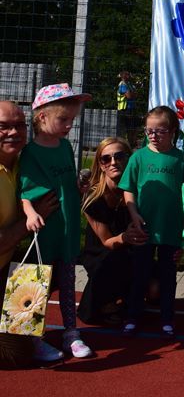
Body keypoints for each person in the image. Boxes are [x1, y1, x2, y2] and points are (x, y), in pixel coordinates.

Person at [18, 84, 94, 359]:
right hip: (45, 232)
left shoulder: (64, 146)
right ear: (42, 117)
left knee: (68, 282)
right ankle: (35, 338)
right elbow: (24, 191)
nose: (69, 125)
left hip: (68, 229)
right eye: (63, 119)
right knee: (40, 284)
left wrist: (78, 187)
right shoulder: (30, 152)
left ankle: (71, 332)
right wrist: (30, 212)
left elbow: (66, 184)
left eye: (71, 119)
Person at [119, 105, 184, 337]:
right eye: (149, 131)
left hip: (170, 228)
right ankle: (133, 315)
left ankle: (167, 318)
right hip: (143, 228)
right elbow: (128, 189)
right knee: (140, 274)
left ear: (172, 131)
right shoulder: (138, 157)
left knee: (168, 276)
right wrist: (133, 214)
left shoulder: (181, 159)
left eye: (160, 131)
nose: (153, 135)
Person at [0, 101, 60, 367]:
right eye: (4, 126)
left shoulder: (22, 164)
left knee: (47, 264)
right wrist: (30, 220)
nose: (14, 132)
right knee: (16, 354)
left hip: (6, 267)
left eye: (19, 125)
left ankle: (23, 333)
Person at [78, 137, 150, 325]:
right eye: (106, 158)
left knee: (155, 289)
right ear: (100, 165)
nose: (113, 162)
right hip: (102, 252)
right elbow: (107, 242)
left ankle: (124, 297)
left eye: (119, 156)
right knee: (116, 260)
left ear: (128, 159)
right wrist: (126, 237)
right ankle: (108, 302)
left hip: (131, 248)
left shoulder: (139, 191)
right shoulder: (93, 198)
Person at [116, 70, 137, 147]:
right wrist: (131, 93)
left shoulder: (129, 84)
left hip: (131, 108)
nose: (129, 76)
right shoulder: (123, 85)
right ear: (123, 76)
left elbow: (135, 94)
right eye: (127, 75)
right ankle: (124, 144)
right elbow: (129, 96)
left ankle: (130, 144)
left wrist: (131, 93)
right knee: (125, 128)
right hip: (124, 109)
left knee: (131, 127)